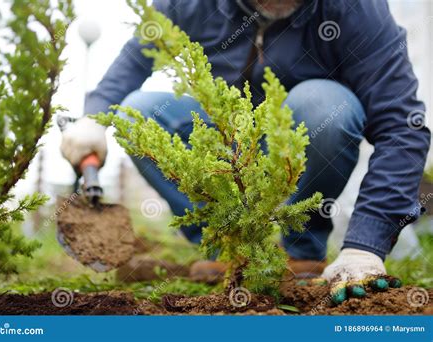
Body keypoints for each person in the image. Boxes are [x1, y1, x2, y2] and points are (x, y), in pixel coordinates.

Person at [61, 0, 430, 303]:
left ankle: (302, 247)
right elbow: (133, 61)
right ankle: (224, 244)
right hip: (227, 144)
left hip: (302, 143)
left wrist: (365, 246)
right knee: (138, 112)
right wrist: (93, 118)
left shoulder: (356, 9)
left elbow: (402, 126)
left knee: (323, 105)